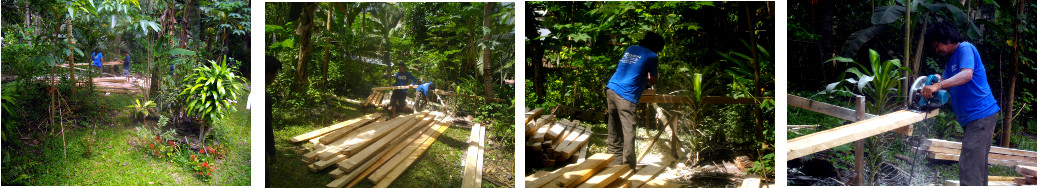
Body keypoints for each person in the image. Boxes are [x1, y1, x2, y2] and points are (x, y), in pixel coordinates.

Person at [920, 22, 1000, 186]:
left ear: (947, 39)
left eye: (937, 45)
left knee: (969, 166)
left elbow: (967, 75)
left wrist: (938, 85)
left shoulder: (965, 48)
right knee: (976, 166)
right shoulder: (951, 60)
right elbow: (946, 80)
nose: (937, 50)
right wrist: (937, 80)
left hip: (981, 115)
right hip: (974, 118)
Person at [605, 32, 664, 169]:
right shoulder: (652, 56)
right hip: (626, 94)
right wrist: (648, 79)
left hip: (611, 89)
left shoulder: (631, 48)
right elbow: (653, 79)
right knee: (628, 131)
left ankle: (614, 162)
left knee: (614, 127)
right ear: (657, 46)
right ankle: (628, 167)